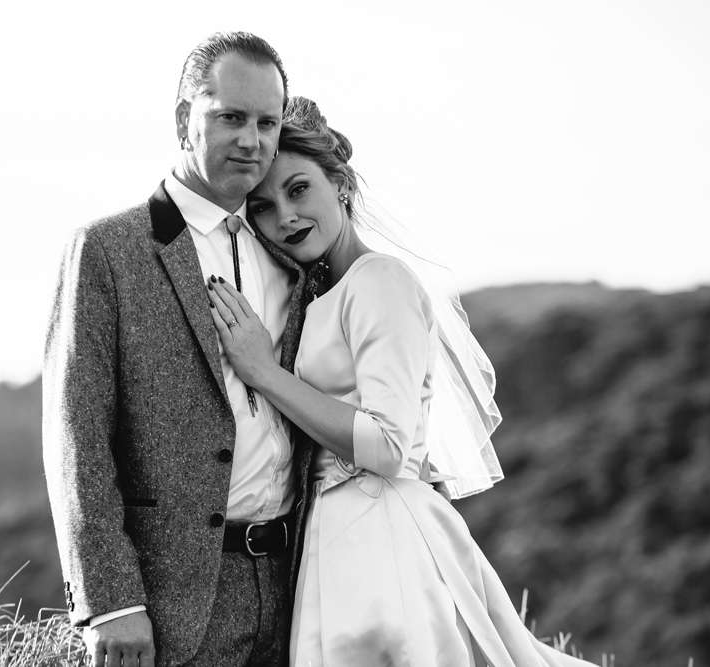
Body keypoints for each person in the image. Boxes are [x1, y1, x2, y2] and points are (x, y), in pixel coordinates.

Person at [207, 97, 600, 666]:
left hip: (381, 534)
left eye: (299, 190)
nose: (285, 217)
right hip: (337, 534)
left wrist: (264, 373)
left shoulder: (380, 282)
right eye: (264, 206)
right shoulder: (321, 295)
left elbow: (389, 446)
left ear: (341, 184)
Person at [42, 33, 317, 667]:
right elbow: (76, 438)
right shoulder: (108, 251)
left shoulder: (294, 254)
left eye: (267, 122)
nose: (251, 140)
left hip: (298, 588)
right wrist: (110, 602)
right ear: (182, 119)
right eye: (231, 117)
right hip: (168, 602)